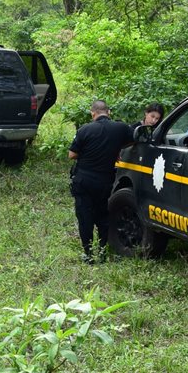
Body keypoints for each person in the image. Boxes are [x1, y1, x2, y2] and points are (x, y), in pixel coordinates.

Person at [68, 100, 134, 263]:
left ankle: (88, 254)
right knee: (103, 215)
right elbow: (134, 139)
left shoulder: (85, 129)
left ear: (93, 113)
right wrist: (116, 147)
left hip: (84, 180)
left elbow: (72, 154)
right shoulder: (121, 128)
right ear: (108, 112)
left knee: (85, 216)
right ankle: (103, 250)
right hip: (105, 181)